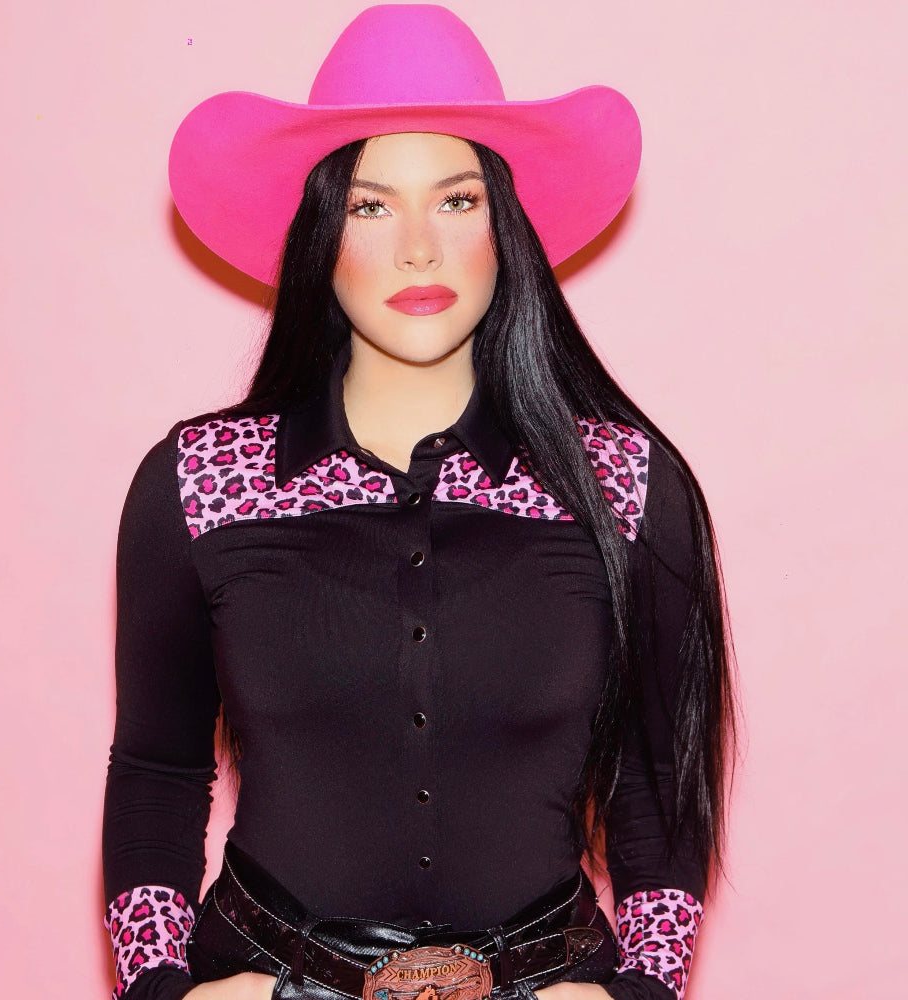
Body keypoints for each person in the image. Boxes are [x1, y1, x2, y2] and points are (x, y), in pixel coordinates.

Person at [101, 6, 736, 1000]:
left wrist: (644, 993)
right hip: (266, 975)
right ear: (321, 232)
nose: (417, 250)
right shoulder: (196, 480)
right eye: (370, 207)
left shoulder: (628, 484)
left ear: (504, 224)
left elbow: (659, 789)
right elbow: (157, 770)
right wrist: (159, 991)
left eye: (456, 200)